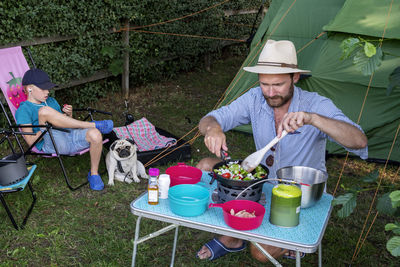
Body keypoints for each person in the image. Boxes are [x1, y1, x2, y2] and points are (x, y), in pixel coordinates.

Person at [196, 40, 368, 262]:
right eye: (264, 84)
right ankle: (234, 237)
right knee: (205, 166)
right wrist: (213, 129)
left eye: (277, 84)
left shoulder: (315, 104)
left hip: (299, 194)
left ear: (294, 78)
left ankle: (257, 234)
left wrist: (312, 119)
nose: (270, 92)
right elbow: (209, 119)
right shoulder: (255, 98)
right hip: (263, 184)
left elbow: (359, 141)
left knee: (260, 253)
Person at [15, 68, 114, 191]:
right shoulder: (24, 110)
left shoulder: (51, 101)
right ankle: (91, 124)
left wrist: (69, 115)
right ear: (29, 88)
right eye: (43, 89)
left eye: (48, 88)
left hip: (68, 136)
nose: (47, 92)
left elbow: (65, 124)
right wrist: (42, 125)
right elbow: (30, 142)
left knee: (96, 134)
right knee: (44, 112)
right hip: (51, 144)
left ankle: (94, 174)